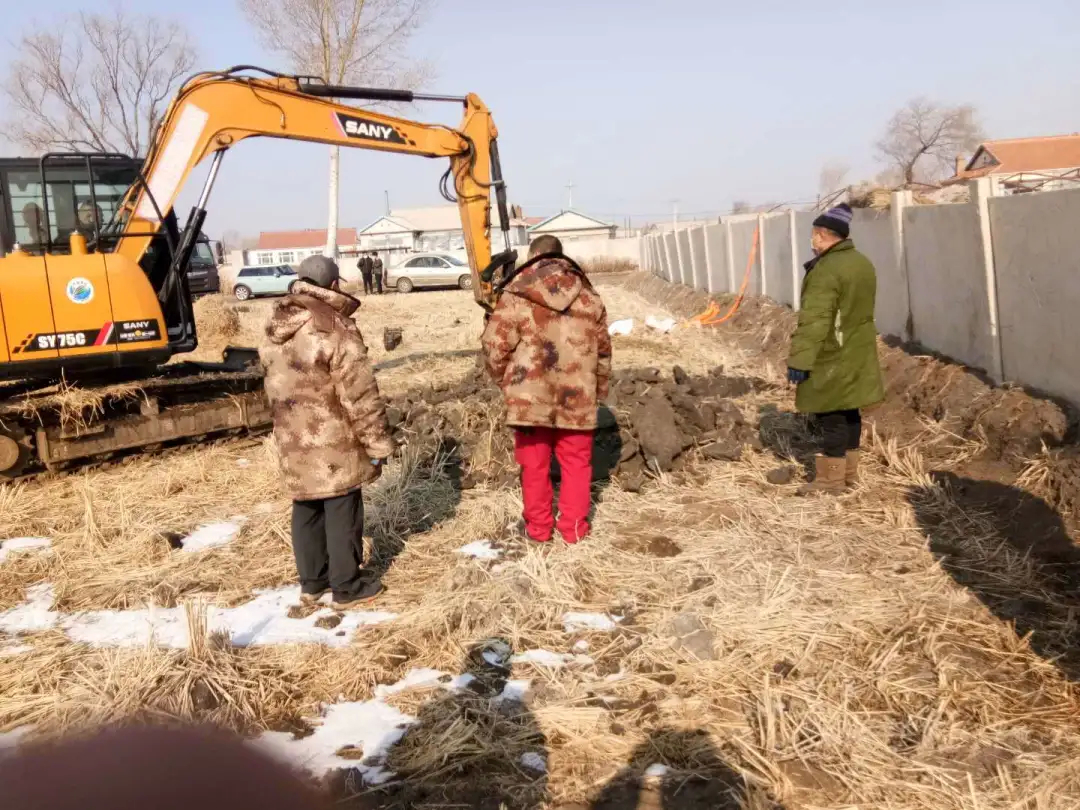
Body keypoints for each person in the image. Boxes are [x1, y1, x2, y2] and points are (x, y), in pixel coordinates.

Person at [260, 255, 394, 607]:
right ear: (333, 285)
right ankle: (346, 586)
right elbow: (359, 391)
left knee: (305, 505)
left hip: (291, 436)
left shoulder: (276, 323)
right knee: (342, 505)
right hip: (333, 437)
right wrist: (378, 444)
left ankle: (312, 583)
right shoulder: (333, 326)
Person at [481, 234, 612, 544]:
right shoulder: (590, 297)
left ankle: (539, 531)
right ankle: (574, 530)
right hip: (578, 397)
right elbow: (604, 351)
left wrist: (506, 381)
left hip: (529, 400)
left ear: (534, 256)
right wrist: (599, 390)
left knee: (534, 466)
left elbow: (493, 345)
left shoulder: (516, 295)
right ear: (560, 256)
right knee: (577, 464)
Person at [787, 203, 884, 495]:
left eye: (814, 236)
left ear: (821, 235)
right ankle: (849, 474)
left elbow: (816, 320)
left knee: (831, 416)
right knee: (851, 410)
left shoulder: (826, 270)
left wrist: (801, 360)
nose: (812, 242)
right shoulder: (862, 263)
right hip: (858, 349)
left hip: (832, 353)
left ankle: (830, 481)